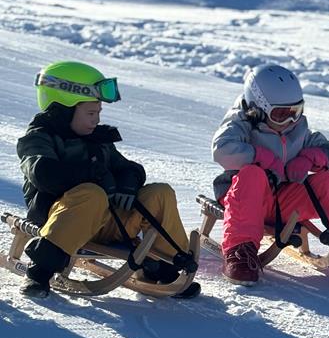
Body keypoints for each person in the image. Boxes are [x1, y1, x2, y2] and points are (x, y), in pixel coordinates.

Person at [17, 60, 197, 298]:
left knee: (160, 193)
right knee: (91, 193)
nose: (97, 120)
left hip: (109, 223)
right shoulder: (39, 139)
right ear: (62, 109)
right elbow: (42, 173)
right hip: (63, 222)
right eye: (91, 113)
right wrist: (95, 177)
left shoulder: (98, 141)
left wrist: (127, 184)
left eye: (99, 113)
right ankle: (40, 271)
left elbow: (129, 168)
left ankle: (163, 266)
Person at [211, 64, 329, 286]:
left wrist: (310, 158)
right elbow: (221, 149)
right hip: (246, 198)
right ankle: (240, 251)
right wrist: (260, 157)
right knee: (252, 175)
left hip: (284, 201)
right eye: (280, 114)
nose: (290, 121)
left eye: (296, 112)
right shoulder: (240, 123)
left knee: (326, 180)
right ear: (258, 108)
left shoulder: (297, 129)